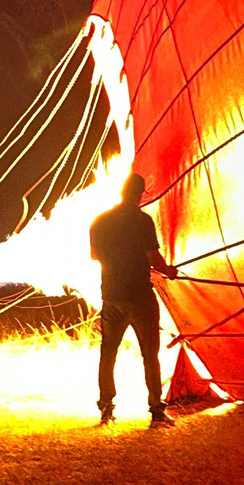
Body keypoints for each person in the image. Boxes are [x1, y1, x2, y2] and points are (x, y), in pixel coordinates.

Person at [90, 173, 178, 428]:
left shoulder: (100, 221)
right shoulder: (142, 221)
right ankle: (156, 411)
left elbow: (95, 256)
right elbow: (154, 258)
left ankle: (106, 407)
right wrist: (169, 271)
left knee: (108, 354)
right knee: (150, 355)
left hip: (111, 296)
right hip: (140, 296)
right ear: (140, 193)